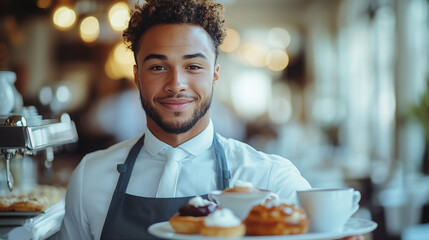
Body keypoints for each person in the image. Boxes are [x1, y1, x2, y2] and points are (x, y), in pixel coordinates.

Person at [58, 0, 362, 239]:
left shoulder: (271, 179)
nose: (176, 84)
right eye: (158, 68)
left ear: (215, 74)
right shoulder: (90, 177)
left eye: (193, 67)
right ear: (137, 76)